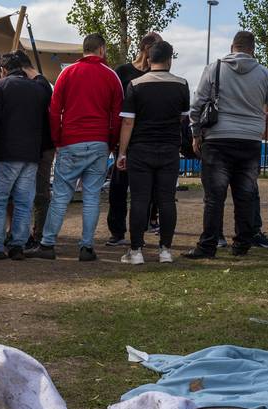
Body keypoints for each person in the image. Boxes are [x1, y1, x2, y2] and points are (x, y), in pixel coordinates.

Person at [184, 30, 268, 259]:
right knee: (245, 195)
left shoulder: (215, 68)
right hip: (250, 140)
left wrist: (195, 133)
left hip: (218, 139)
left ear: (233, 46)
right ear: (252, 49)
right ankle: (242, 244)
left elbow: (197, 104)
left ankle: (208, 245)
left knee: (214, 197)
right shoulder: (264, 74)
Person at [26, 33, 123, 262]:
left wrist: (58, 140)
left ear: (84, 49)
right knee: (91, 197)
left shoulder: (67, 73)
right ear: (102, 49)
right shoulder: (111, 76)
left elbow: (54, 110)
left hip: (70, 141)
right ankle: (86, 247)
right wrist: (110, 142)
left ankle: (48, 243)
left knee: (61, 196)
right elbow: (117, 115)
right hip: (99, 142)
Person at [114, 40, 188, 265]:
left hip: (140, 149)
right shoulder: (181, 84)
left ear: (148, 59)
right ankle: (165, 250)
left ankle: (136, 251)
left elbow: (127, 123)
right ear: (169, 59)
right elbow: (182, 118)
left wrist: (122, 153)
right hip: (168, 149)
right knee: (166, 200)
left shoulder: (135, 84)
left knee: (139, 200)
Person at [0, 52, 50, 261]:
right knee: (23, 201)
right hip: (30, 154)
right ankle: (18, 245)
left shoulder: (0, 87)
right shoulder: (37, 89)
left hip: (5, 153)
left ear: (3, 70)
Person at [107, 32, 162, 247]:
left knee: (148, 189)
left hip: (147, 138)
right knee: (118, 187)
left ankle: (144, 226)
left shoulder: (157, 73)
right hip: (126, 137)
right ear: (146, 47)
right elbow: (115, 105)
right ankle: (117, 231)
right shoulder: (122, 72)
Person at [16, 51, 54, 248]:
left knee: (40, 192)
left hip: (42, 147)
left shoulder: (40, 84)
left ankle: (38, 234)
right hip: (35, 146)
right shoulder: (40, 83)